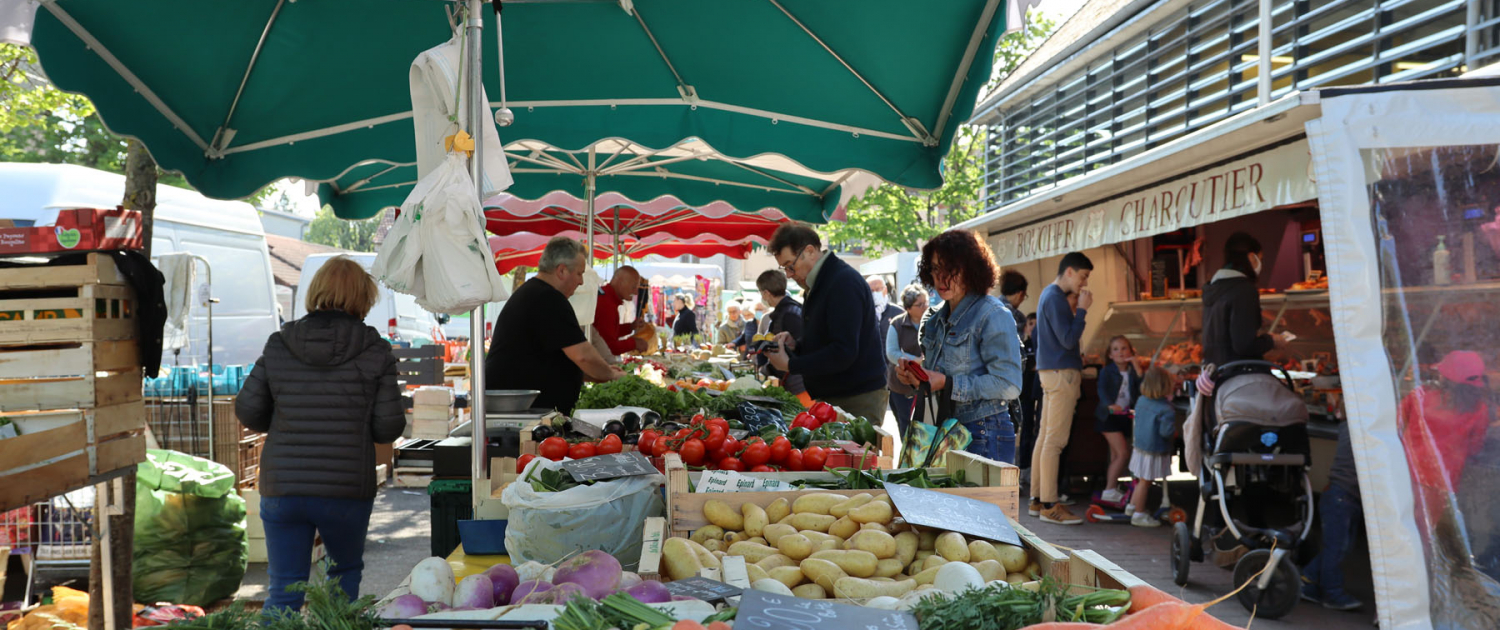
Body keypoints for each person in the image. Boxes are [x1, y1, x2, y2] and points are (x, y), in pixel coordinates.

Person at [235, 256, 405, 611]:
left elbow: (249, 411)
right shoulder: (375, 349)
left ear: (316, 291)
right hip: (346, 487)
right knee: (343, 576)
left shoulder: (280, 343)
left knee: (284, 589)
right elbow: (388, 428)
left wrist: (286, 418)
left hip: (284, 486)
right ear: (364, 298)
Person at [896, 230, 1022, 463]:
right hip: (945, 431)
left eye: (951, 269)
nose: (942, 278)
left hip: (984, 433)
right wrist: (917, 376)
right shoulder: (934, 319)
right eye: (935, 268)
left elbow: (1009, 384)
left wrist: (948, 383)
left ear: (971, 269)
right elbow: (940, 376)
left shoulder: (993, 314)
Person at [487, 237, 624, 413]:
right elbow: (582, 355)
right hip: (519, 410)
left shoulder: (538, 293)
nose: (581, 282)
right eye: (579, 274)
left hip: (524, 407)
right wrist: (611, 375)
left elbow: (553, 360)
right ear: (562, 271)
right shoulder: (547, 298)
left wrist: (599, 373)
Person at [766, 224, 887, 423]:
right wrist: (797, 345)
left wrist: (791, 364)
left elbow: (843, 351)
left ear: (809, 251)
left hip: (856, 397)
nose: (788, 274)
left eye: (790, 266)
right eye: (784, 268)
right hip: (839, 394)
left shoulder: (842, 282)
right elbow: (828, 337)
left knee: (855, 445)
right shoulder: (822, 282)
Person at [1398, 350, 1491, 537]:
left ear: (1445, 377)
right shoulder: (1479, 409)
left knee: (1398, 523)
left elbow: (1396, 424)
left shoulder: (1420, 395)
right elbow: (1475, 448)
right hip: (1441, 478)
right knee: (1423, 532)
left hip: (1405, 470)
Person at [1031, 251, 1094, 525]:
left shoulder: (1048, 294)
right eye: (1083, 276)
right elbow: (1068, 340)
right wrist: (1083, 310)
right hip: (1061, 375)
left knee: (1045, 438)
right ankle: (1049, 505)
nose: (1084, 283)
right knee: (1054, 441)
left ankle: (1037, 500)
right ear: (1069, 271)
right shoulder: (1056, 297)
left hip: (1051, 373)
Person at [1300, 418, 1365, 611]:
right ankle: (1332, 593)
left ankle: (1308, 579)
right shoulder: (1362, 429)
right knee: (1337, 548)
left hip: (1340, 495)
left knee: (1339, 547)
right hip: (1342, 497)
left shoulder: (1350, 425)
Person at [1202, 232, 1289, 368]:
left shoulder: (1214, 287)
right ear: (1251, 257)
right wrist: (1271, 341)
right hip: (1238, 372)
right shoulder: (1244, 290)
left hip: (1217, 372)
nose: (1261, 264)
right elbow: (1244, 346)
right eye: (1260, 258)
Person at [1096, 335, 1142, 505]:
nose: (1120, 352)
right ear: (1110, 355)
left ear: (1131, 351)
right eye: (1116, 349)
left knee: (1116, 455)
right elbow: (1101, 390)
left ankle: (1112, 488)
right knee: (1123, 453)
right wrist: (1110, 404)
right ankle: (1109, 490)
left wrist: (1137, 367)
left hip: (1124, 417)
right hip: (1108, 417)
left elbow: (1143, 388)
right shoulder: (1107, 371)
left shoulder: (1132, 371)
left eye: (1124, 348)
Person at [1128, 367, 1176, 528]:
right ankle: (1139, 515)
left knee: (1141, 480)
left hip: (1140, 448)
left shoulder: (1141, 400)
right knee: (1145, 482)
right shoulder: (1167, 409)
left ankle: (1132, 507)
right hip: (1154, 450)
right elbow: (1166, 432)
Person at [884, 284, 927, 438]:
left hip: (927, 383)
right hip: (901, 387)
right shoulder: (897, 324)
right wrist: (916, 361)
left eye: (925, 303)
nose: (925, 307)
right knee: (906, 428)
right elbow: (892, 353)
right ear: (908, 308)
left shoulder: (933, 321)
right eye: (919, 304)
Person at [756, 270, 806, 396]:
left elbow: (801, 350)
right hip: (791, 381)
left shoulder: (789, 314)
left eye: (761, 293)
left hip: (798, 386)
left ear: (766, 293)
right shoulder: (788, 310)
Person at [593, 265, 649, 359]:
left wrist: (630, 326)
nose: (636, 292)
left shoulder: (608, 299)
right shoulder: (606, 304)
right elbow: (609, 347)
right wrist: (634, 343)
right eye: (633, 287)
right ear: (620, 282)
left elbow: (609, 332)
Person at [870, 276, 903, 350]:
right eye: (871, 291)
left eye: (877, 289)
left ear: (885, 290)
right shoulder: (863, 314)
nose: (874, 293)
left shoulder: (898, 312)